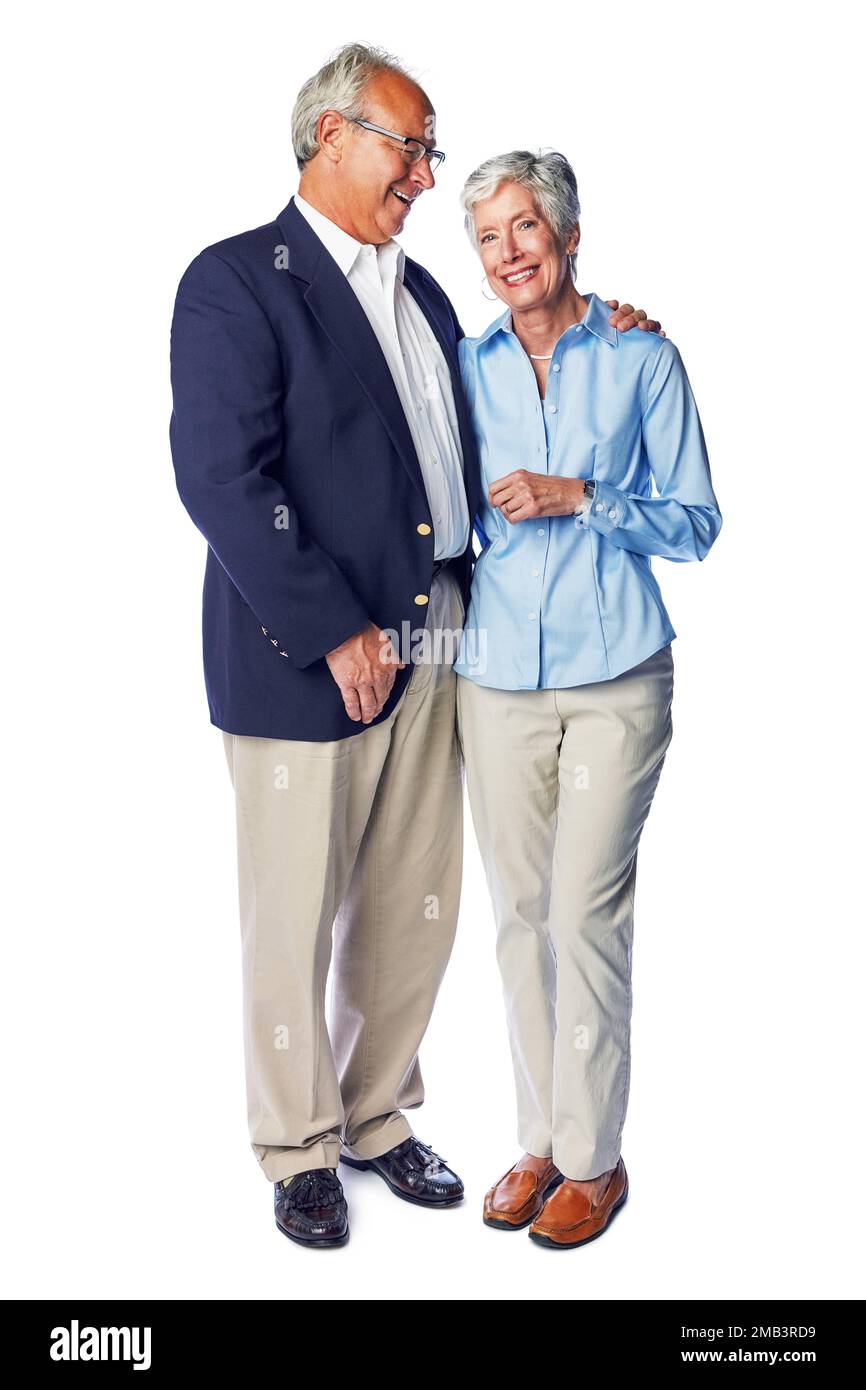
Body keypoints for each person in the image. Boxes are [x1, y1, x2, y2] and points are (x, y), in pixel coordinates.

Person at [170, 43, 662, 1249]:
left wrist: (607, 324)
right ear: (328, 137)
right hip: (307, 647)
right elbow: (223, 479)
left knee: (412, 898)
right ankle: (297, 1147)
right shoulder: (237, 280)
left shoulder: (429, 292)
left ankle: (377, 1114)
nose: (423, 171)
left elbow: (503, 395)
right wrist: (335, 627)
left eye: (432, 148)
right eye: (410, 143)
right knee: (292, 911)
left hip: (441, 632)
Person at [454, 150, 722, 1249]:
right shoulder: (461, 366)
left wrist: (586, 497)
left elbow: (695, 521)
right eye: (485, 237)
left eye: (524, 227)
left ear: (565, 234)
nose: (507, 252)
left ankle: (594, 1159)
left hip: (615, 678)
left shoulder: (641, 357)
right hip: (493, 678)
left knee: (581, 913)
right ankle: (540, 1140)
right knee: (518, 919)